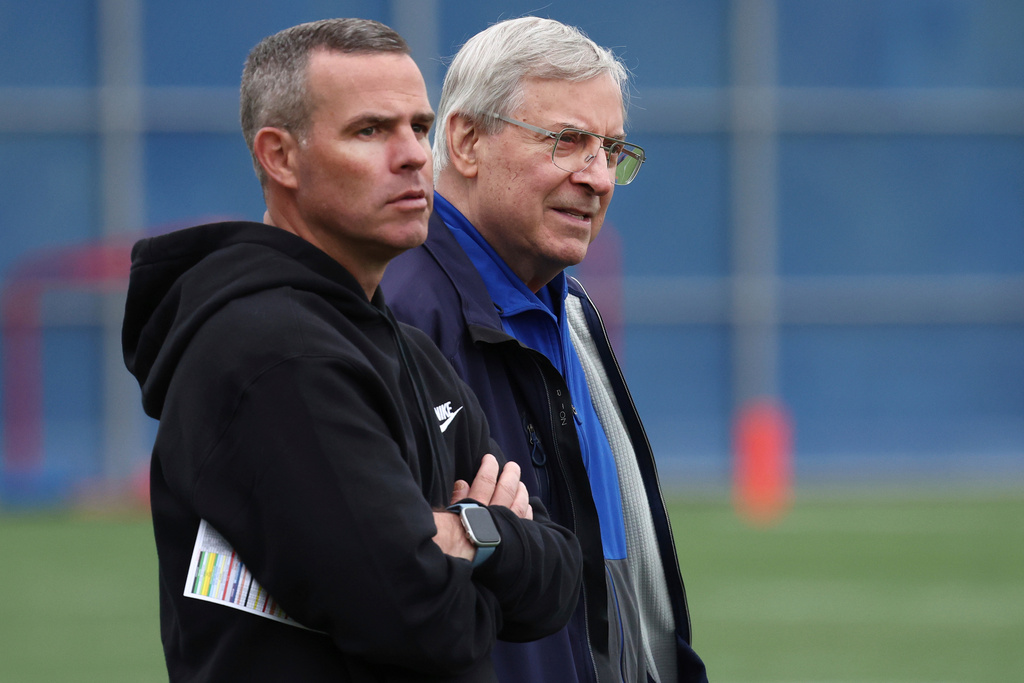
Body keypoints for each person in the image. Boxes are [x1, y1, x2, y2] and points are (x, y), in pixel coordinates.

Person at [121, 18, 581, 682]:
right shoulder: (273, 354)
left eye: (419, 128)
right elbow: (426, 623)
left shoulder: (413, 355)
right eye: (371, 131)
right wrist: (489, 532)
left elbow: (557, 581)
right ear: (280, 156)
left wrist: (460, 534)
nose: (414, 156)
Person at [383, 16, 708, 683]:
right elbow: (372, 572)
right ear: (466, 141)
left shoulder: (573, 310)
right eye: (567, 142)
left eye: (613, 149)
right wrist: (485, 536)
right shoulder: (399, 314)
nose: (599, 177)